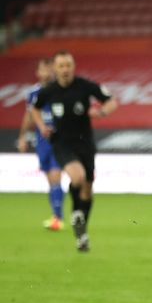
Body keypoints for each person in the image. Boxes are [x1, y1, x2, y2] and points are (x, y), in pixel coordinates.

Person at [31, 50, 118, 252]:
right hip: (61, 143)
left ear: (73, 67)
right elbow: (34, 108)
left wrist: (102, 111)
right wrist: (42, 126)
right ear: (55, 68)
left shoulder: (84, 86)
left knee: (87, 189)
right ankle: (76, 215)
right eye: (61, 66)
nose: (65, 69)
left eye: (68, 65)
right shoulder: (49, 91)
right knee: (77, 177)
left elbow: (111, 101)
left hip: (85, 144)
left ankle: (81, 230)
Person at [17, 58, 64, 231]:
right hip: (41, 141)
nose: (46, 73)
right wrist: (22, 137)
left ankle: (58, 217)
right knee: (50, 180)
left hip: (59, 140)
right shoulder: (33, 93)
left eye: (49, 69)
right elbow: (29, 116)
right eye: (43, 70)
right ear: (38, 73)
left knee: (55, 176)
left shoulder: (60, 90)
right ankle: (56, 215)